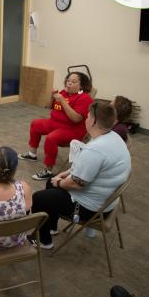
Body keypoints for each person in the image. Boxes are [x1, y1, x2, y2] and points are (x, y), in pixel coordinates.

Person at [31, 102, 131, 248]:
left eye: (88, 116)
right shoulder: (113, 136)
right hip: (107, 200)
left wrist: (58, 182)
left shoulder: (95, 149)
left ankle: (43, 240)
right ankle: (51, 227)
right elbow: (82, 166)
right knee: (51, 182)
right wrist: (62, 175)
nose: (86, 119)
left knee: (39, 198)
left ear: (94, 121)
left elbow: (76, 184)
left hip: (91, 208)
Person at [19, 71, 94, 180]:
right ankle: (32, 154)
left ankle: (48, 170)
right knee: (35, 124)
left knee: (51, 138)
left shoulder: (85, 98)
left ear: (81, 85)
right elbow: (49, 107)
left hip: (73, 129)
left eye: (73, 82)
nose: (69, 83)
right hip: (55, 123)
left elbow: (76, 119)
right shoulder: (64, 92)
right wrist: (52, 96)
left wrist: (63, 101)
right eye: (68, 81)